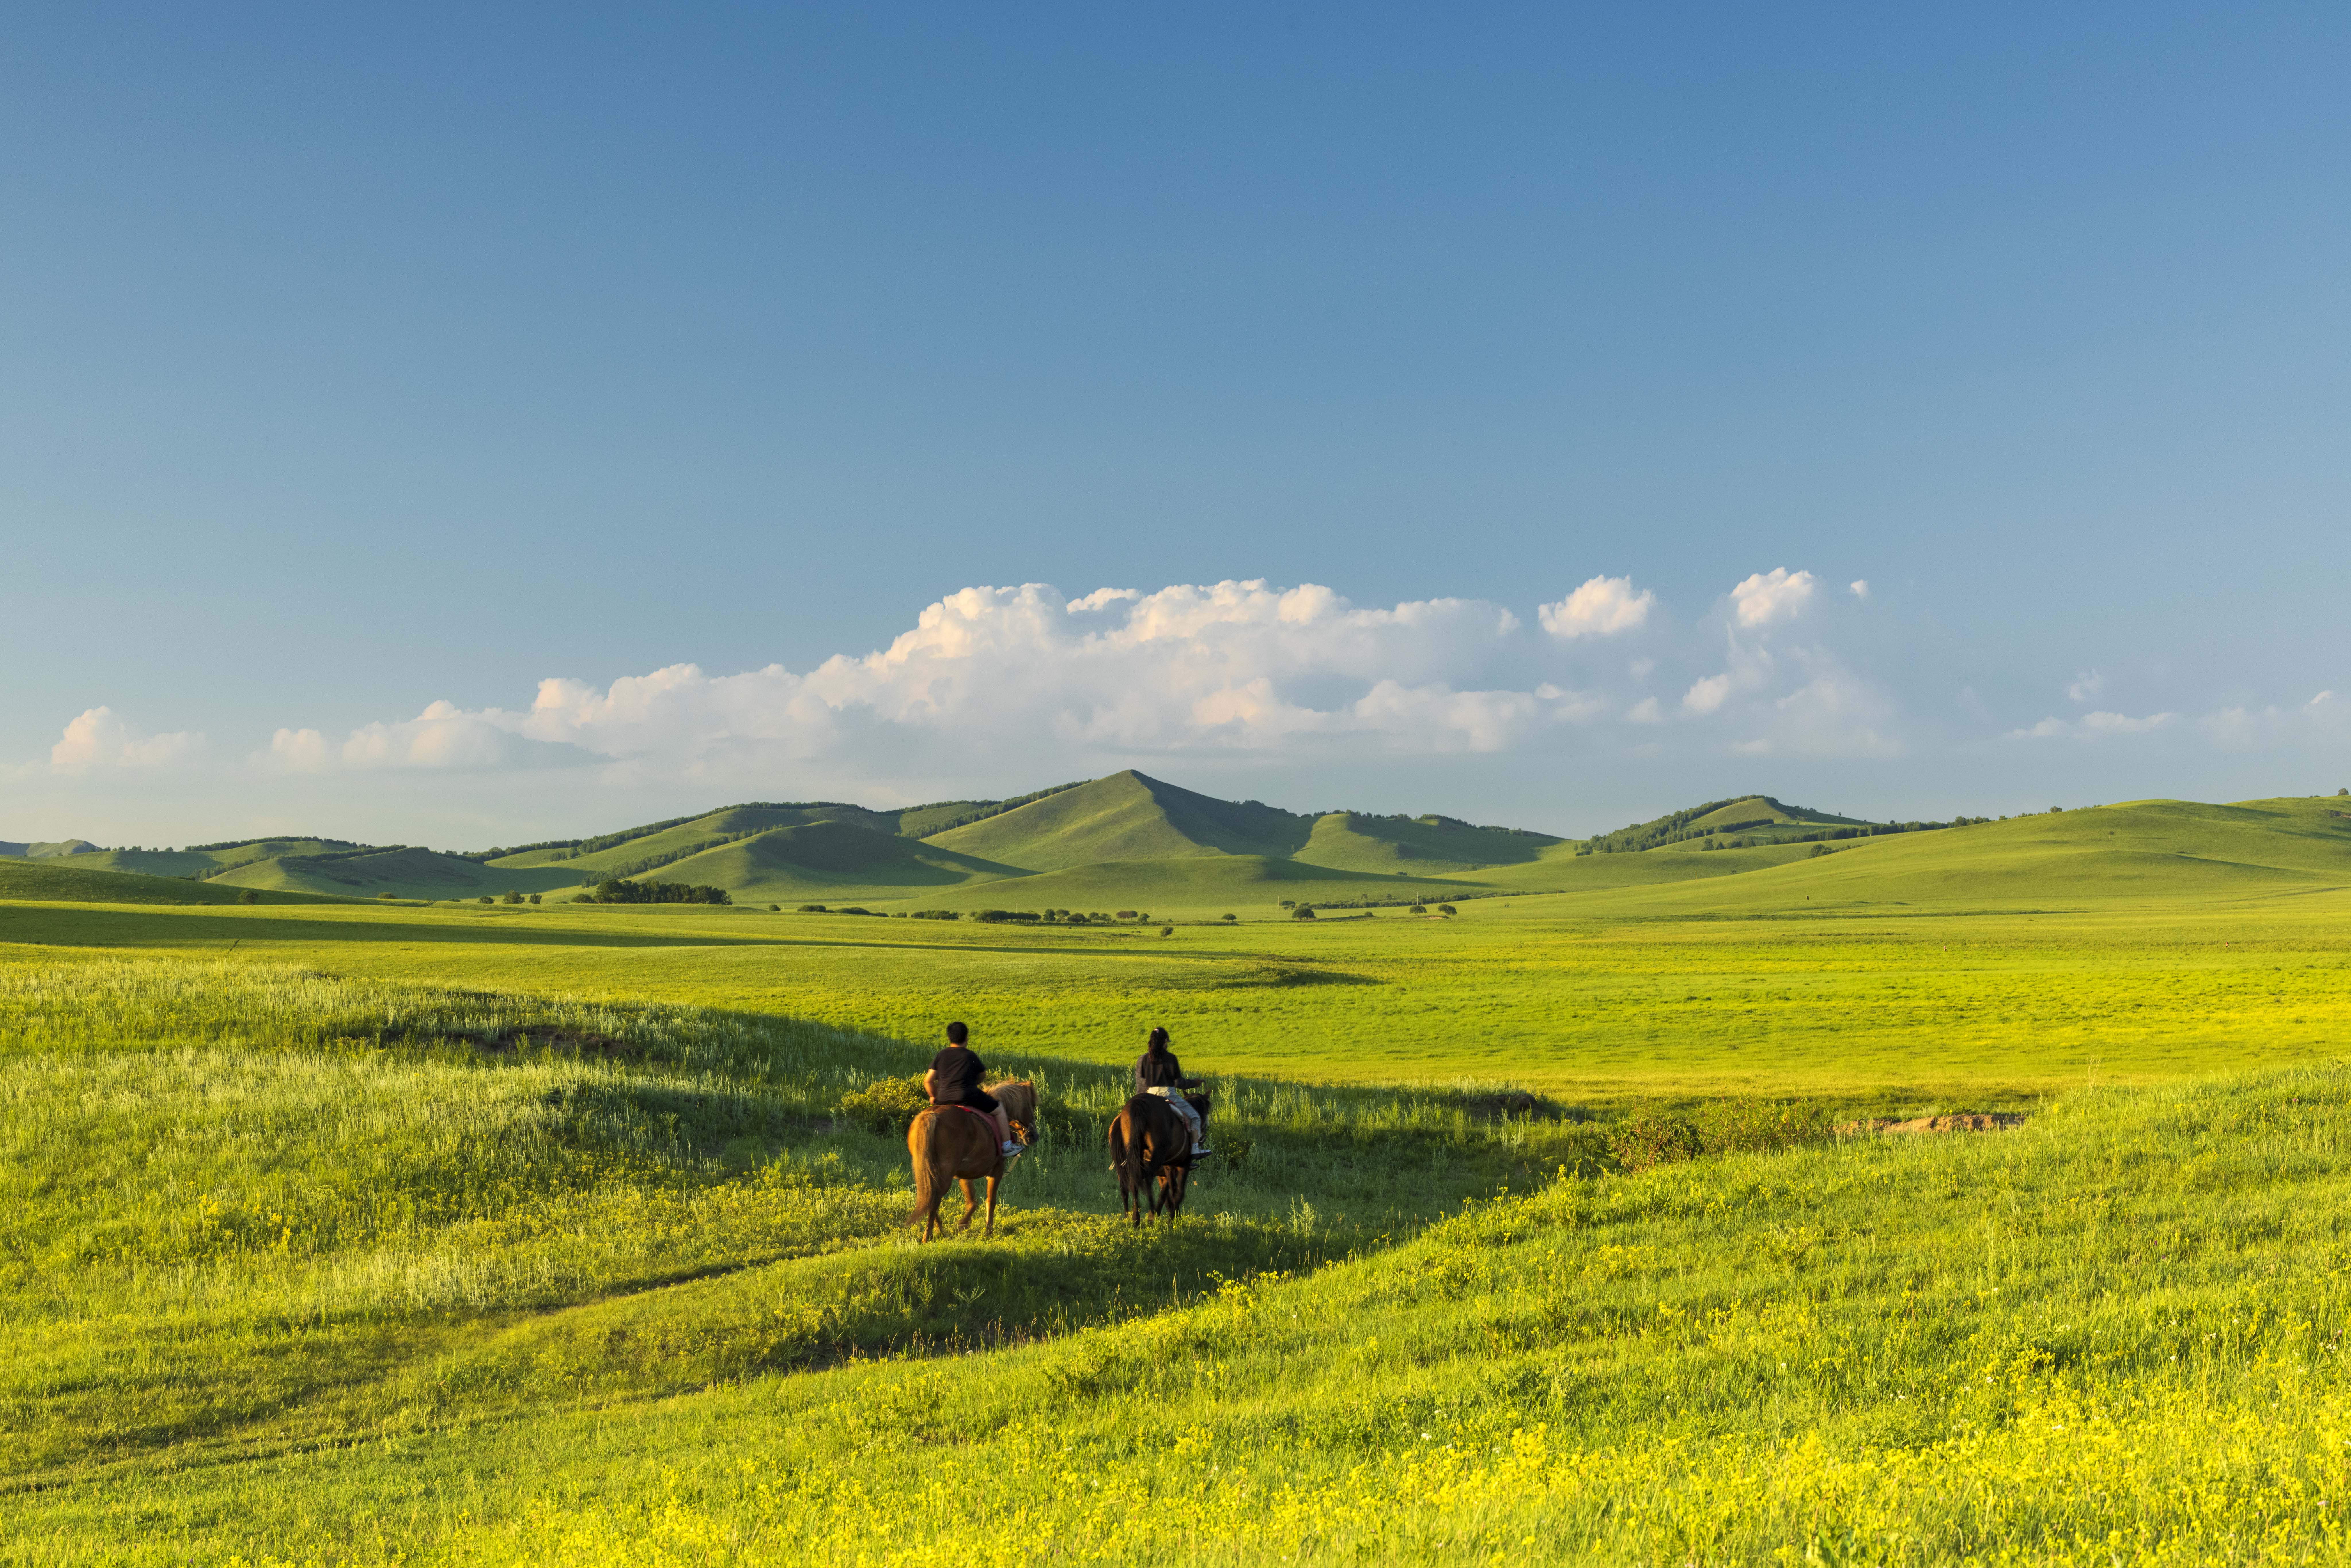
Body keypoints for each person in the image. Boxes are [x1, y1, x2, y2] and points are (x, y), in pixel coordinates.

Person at [924, 1021, 1021, 1158]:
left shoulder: (942, 1055)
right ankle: (1007, 1146)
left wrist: (934, 1096)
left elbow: (928, 1080)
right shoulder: (970, 1056)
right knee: (999, 1110)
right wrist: (975, 1082)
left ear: (949, 1038)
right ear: (967, 1038)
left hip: (944, 1099)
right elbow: (983, 1076)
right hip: (968, 1097)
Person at [1132, 1025, 1208, 1155]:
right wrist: (1194, 1084)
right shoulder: (1171, 1058)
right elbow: (1179, 1083)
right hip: (1169, 1095)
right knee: (1195, 1118)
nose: (1168, 1044)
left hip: (1150, 1095)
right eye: (1167, 1042)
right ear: (1165, 1041)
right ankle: (1195, 1149)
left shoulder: (1145, 1059)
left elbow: (1144, 1080)